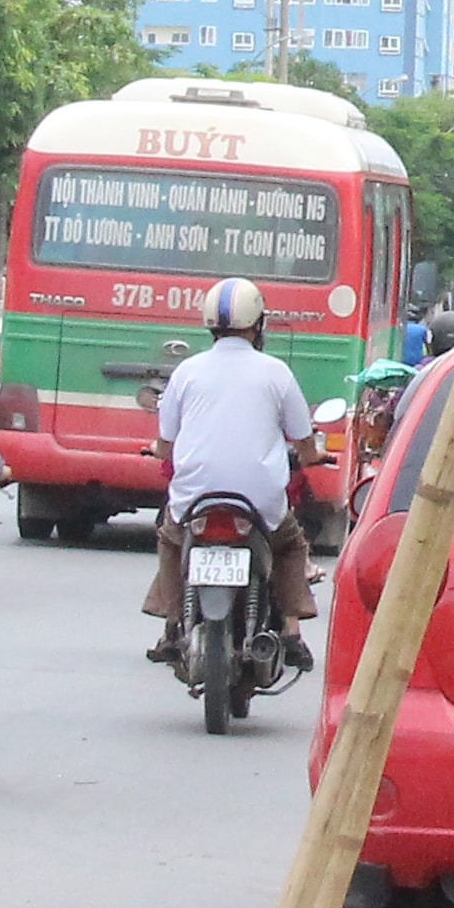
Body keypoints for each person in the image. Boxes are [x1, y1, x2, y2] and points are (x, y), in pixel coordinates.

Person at [141, 278, 322, 669]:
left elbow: (165, 443)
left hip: (195, 499)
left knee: (172, 541)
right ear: (259, 324)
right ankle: (291, 633)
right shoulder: (277, 373)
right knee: (289, 545)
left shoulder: (187, 372)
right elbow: (304, 442)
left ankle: (172, 627)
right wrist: (311, 457)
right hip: (260, 501)